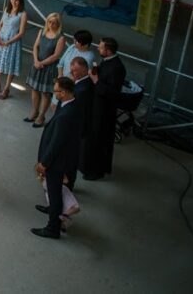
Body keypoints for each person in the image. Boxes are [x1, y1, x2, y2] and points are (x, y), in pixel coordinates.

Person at [32, 76, 83, 240]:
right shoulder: (71, 106)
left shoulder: (65, 115)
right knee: (54, 192)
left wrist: (44, 163)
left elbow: (56, 143)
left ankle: (52, 227)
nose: (55, 94)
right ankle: (52, 209)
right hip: (64, 159)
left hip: (56, 162)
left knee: (54, 193)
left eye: (56, 91)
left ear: (64, 92)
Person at [81, 37, 126, 181]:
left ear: (108, 50)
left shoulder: (117, 68)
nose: (98, 49)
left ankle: (96, 170)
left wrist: (96, 81)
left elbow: (113, 92)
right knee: (92, 138)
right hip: (97, 106)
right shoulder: (108, 62)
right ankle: (89, 166)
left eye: (101, 48)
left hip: (104, 111)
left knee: (99, 140)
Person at [25, 13, 66, 128]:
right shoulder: (42, 31)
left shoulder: (60, 37)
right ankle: (35, 111)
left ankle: (41, 115)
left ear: (58, 24)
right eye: (49, 22)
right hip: (38, 64)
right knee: (34, 89)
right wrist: (36, 60)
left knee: (45, 93)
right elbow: (35, 47)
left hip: (49, 68)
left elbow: (56, 56)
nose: (51, 24)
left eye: (54, 23)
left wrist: (41, 63)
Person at [0, 0, 27, 98]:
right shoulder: (7, 9)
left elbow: (21, 33)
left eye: (16, 0)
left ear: (20, 1)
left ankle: (6, 88)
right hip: (1, 39)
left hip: (12, 42)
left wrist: (7, 42)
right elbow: (0, 24)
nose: (14, 2)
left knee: (11, 65)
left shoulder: (23, 14)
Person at [68, 56, 94, 190]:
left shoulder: (83, 89)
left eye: (75, 71)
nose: (73, 73)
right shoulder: (81, 83)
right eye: (71, 71)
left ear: (85, 70)